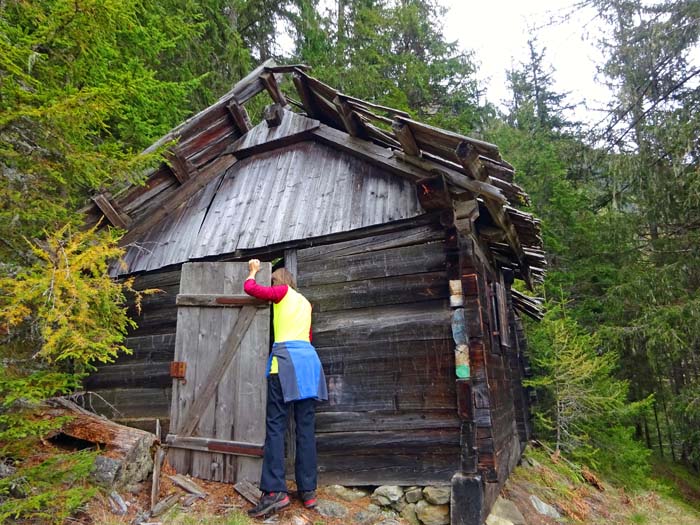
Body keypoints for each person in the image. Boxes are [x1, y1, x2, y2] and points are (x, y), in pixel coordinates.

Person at [243, 259, 328, 518]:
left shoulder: (281, 293)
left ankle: (275, 492)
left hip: (285, 365)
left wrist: (252, 273)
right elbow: (308, 337)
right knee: (305, 428)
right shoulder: (305, 303)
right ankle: (308, 491)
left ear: (278, 281)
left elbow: (252, 290)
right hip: (309, 366)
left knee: (276, 426)